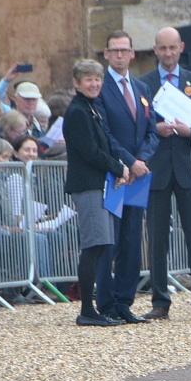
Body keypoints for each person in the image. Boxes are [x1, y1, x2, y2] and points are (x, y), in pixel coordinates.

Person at [137, 26, 191, 321]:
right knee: (156, 238)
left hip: (189, 167)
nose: (168, 54)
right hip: (156, 169)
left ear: (181, 48)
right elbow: (137, 128)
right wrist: (155, 129)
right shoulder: (143, 84)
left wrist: (190, 131)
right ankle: (160, 301)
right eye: (162, 48)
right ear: (154, 50)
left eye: (172, 48)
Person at [95, 30, 159, 324]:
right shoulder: (100, 87)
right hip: (115, 174)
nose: (120, 55)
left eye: (125, 50)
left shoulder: (142, 88)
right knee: (111, 239)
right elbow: (105, 134)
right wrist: (129, 162)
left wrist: (142, 160)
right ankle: (106, 303)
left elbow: (152, 129)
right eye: (114, 50)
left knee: (133, 239)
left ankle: (125, 301)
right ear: (106, 55)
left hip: (139, 176)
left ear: (133, 53)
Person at [63, 59, 129, 327]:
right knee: (93, 246)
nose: (94, 84)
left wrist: (118, 166)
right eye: (88, 79)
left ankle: (91, 308)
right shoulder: (78, 111)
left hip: (97, 183)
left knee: (101, 245)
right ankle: (87, 309)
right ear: (76, 83)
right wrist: (118, 167)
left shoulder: (90, 109)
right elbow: (90, 151)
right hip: (88, 185)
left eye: (97, 79)